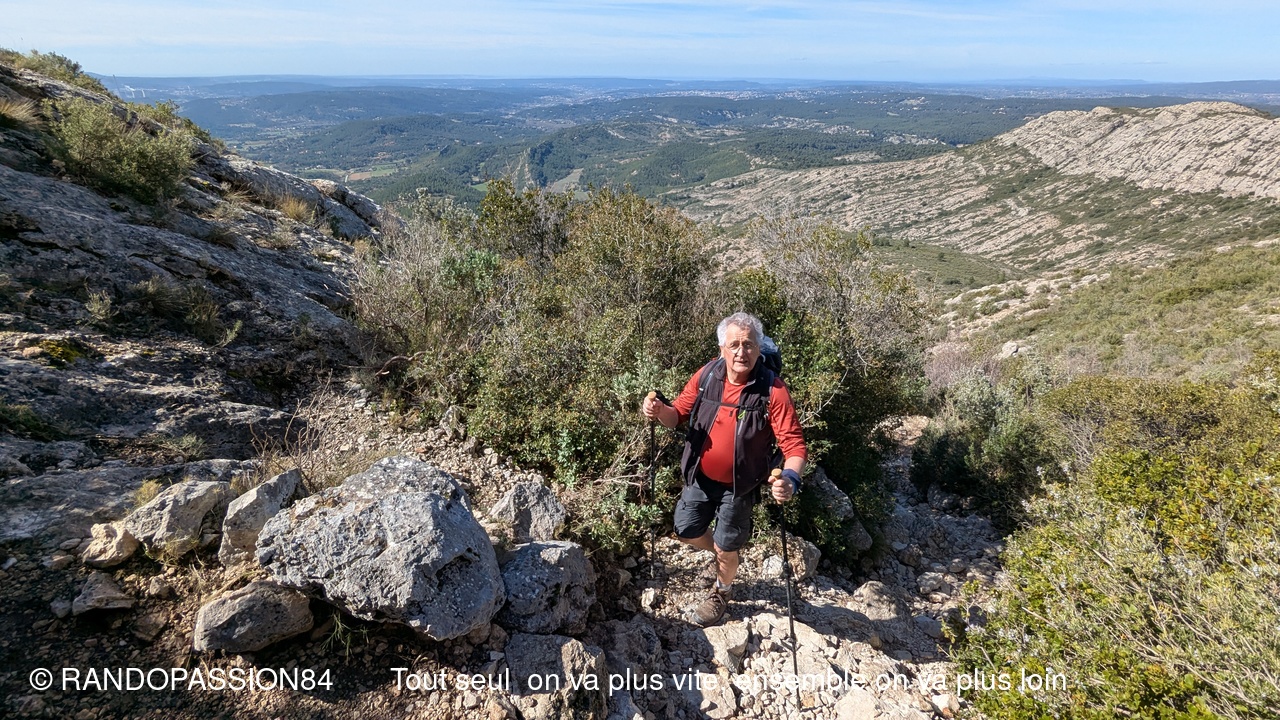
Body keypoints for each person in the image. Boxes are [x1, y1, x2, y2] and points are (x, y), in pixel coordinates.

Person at [641, 312, 806, 627]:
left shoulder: (773, 390)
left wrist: (790, 478)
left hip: (740, 486)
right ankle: (724, 553)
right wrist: (659, 410)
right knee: (686, 530)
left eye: (748, 344)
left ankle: (721, 590)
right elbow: (676, 416)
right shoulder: (706, 376)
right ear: (722, 349)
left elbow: (795, 446)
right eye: (734, 345)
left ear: (758, 348)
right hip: (700, 477)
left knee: (726, 545)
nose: (741, 352)